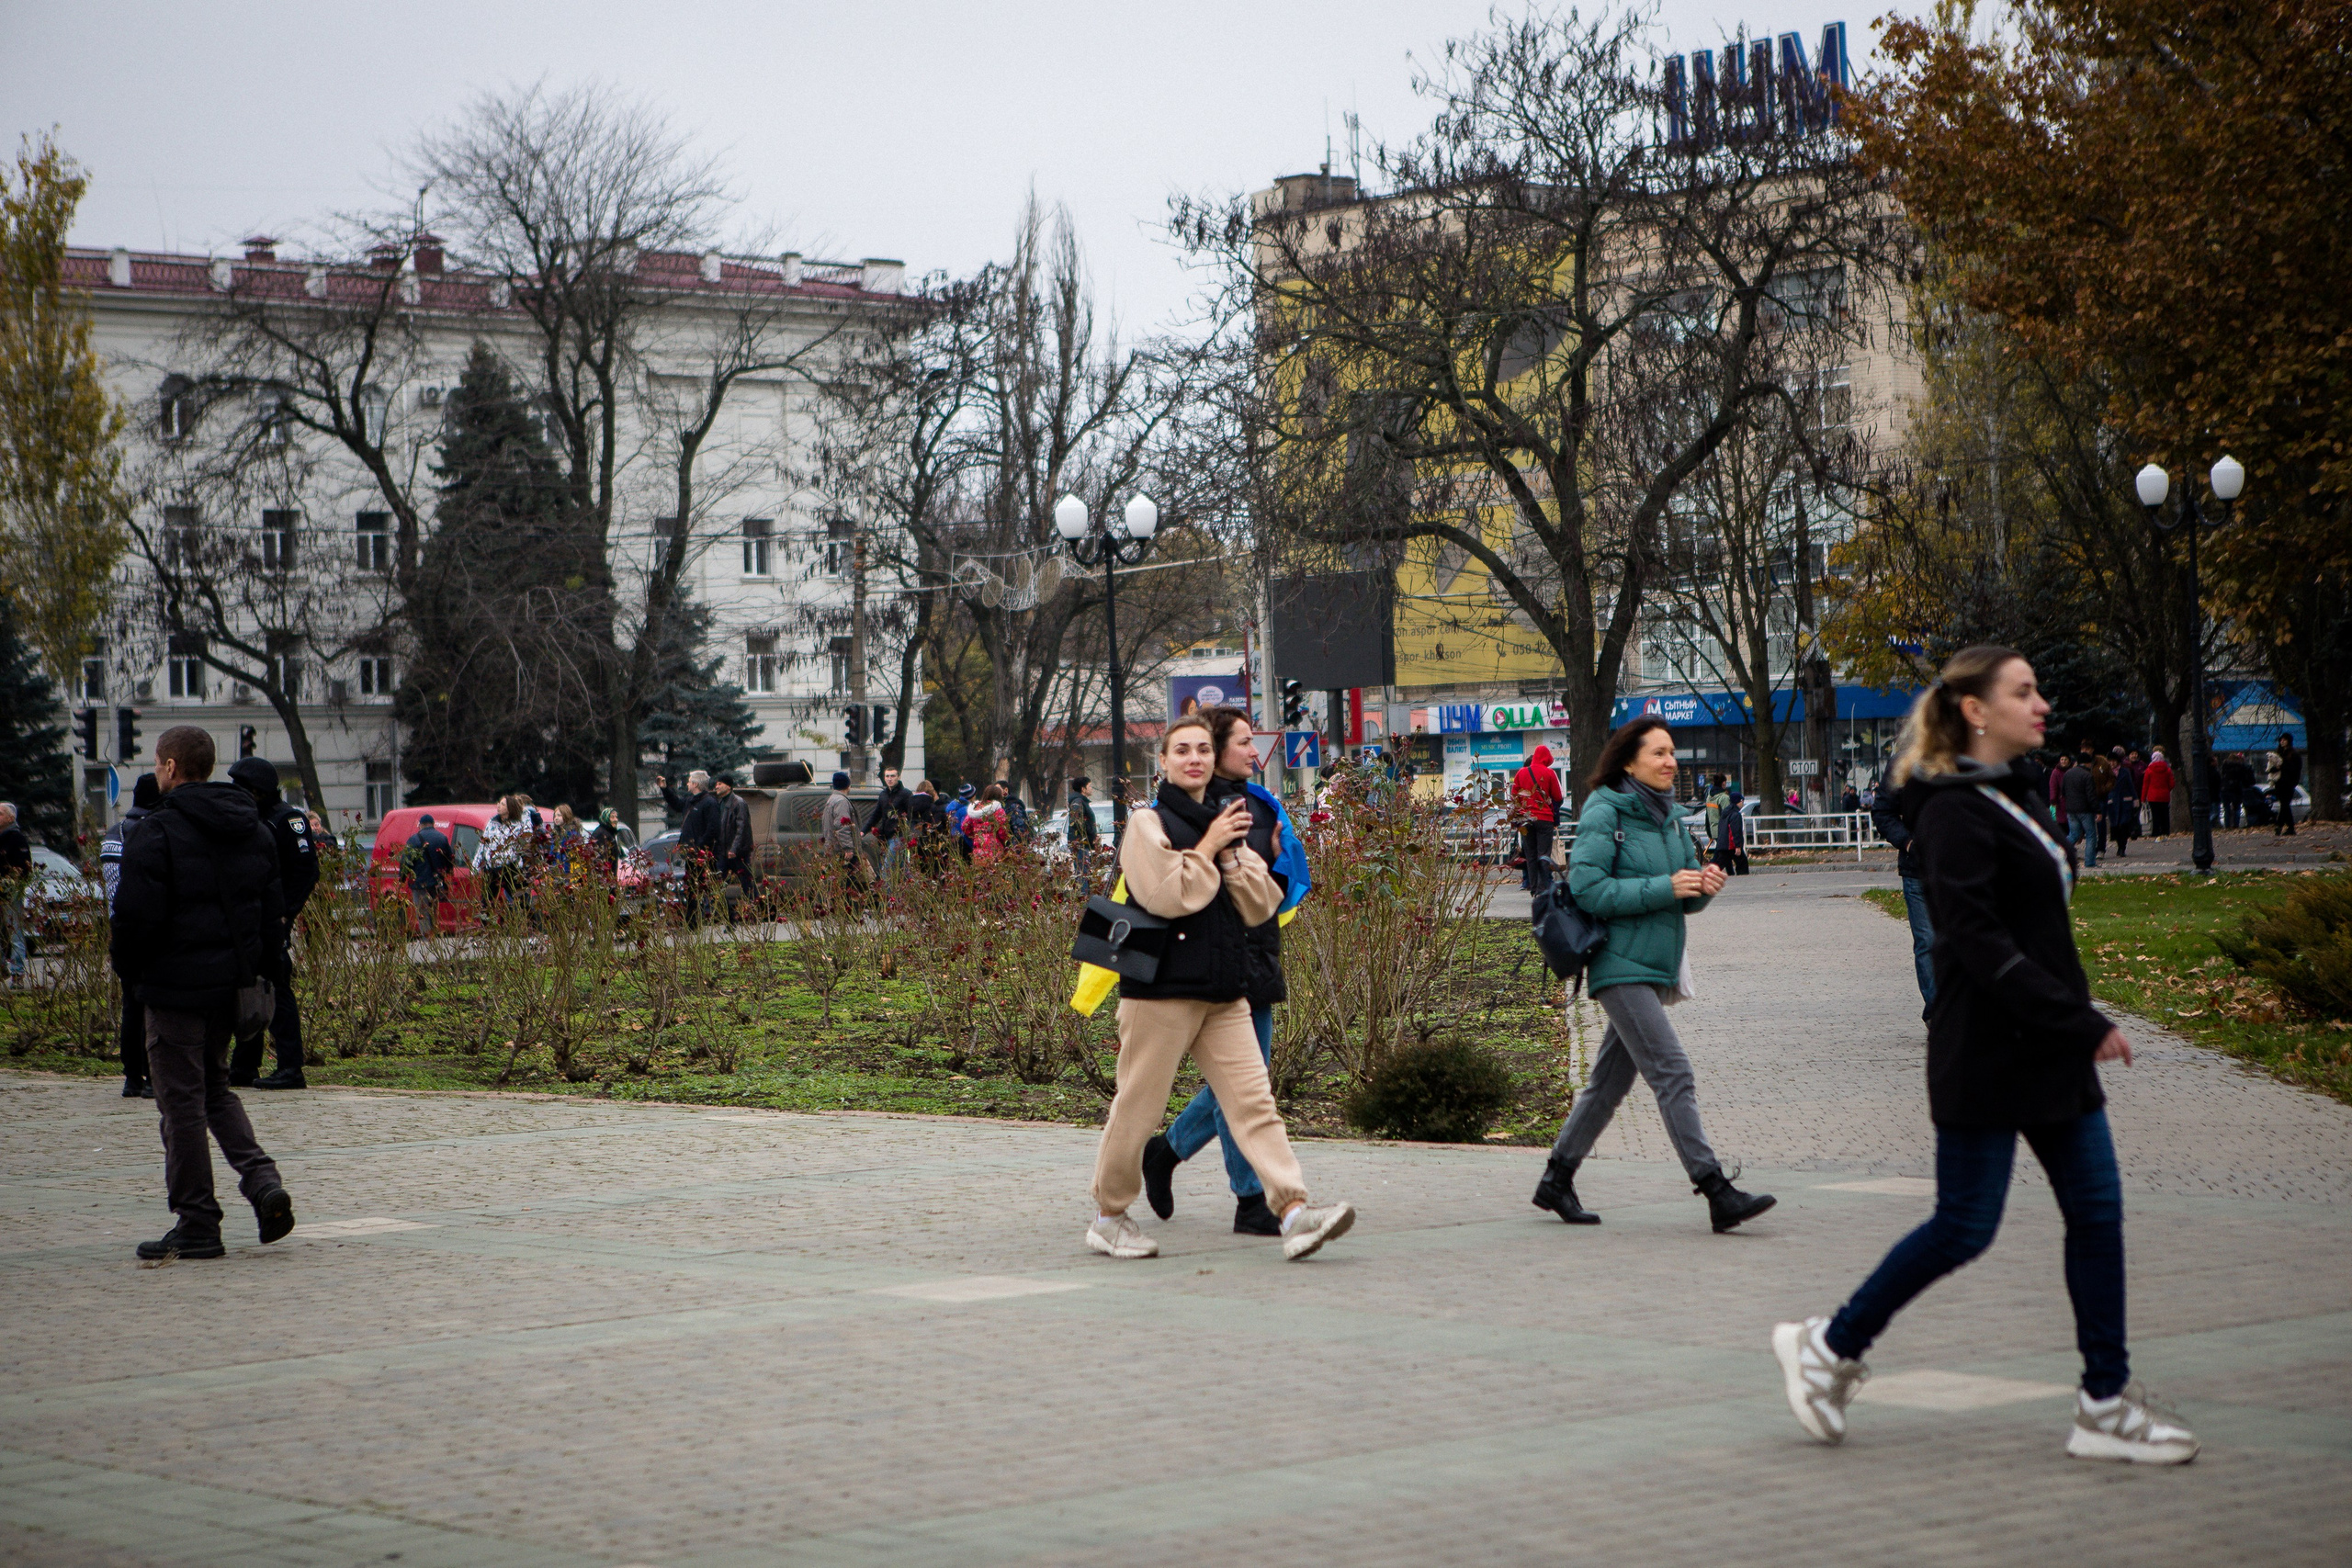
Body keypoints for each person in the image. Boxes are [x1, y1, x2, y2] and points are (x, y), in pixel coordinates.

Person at [1772, 645, 2195, 1465]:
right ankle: (1827, 1345)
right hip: (1986, 1051)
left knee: (2097, 1214)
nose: (2042, 704)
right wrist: (2079, 1020)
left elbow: (2037, 926)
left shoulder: (2017, 791)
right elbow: (1977, 941)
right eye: (2023, 691)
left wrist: (2067, 1022)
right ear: (1975, 709)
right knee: (1964, 1226)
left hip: (2050, 1049)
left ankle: (2104, 1403)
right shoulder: (1949, 812)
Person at [1086, 714, 1354, 1261]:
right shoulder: (1148, 824)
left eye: (1204, 750)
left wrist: (1235, 855)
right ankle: (1109, 1217)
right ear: (1162, 762)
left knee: (1255, 1104)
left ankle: (1294, 1212)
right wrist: (1209, 845)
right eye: (1182, 750)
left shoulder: (1231, 821)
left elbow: (1261, 906)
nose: (1195, 759)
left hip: (1225, 989)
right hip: (1160, 992)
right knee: (1138, 1109)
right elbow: (1168, 895)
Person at [1531, 717, 1772, 1233]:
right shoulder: (1605, 810)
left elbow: (1682, 901)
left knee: (1608, 1084)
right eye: (1658, 752)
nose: (1670, 762)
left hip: (1654, 964)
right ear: (1628, 761)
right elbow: (1588, 888)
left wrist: (1702, 888)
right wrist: (1667, 886)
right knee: (1673, 1071)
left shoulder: (1669, 818)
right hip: (1619, 964)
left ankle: (1556, 1179)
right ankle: (1715, 1189)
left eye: (1672, 752)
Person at [109, 726, 297, 1261]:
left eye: (157, 763)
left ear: (170, 767)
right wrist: (255, 972)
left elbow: (134, 917)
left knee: (181, 1104)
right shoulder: (253, 828)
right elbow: (272, 914)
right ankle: (263, 1183)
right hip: (230, 988)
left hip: (173, 990)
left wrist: (130, 974)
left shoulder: (157, 830)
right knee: (215, 1089)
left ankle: (197, 1221)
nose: (156, 771)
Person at [1142, 706, 1313, 1236]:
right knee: (1244, 1088)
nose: (1253, 751)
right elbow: (1188, 886)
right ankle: (1250, 1197)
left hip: (1252, 952)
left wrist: (1279, 861)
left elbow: (1265, 894)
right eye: (1242, 741)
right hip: (1214, 960)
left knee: (1244, 1085)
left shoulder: (1255, 803)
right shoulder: (1204, 810)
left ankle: (1168, 1152)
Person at [226, 758, 319, 1090]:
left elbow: (306, 871)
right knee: (250, 987)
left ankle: (290, 1067)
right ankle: (244, 1065)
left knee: (277, 988)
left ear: (257, 791)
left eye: (241, 788)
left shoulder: (287, 820)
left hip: (272, 918)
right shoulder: (250, 817)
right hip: (250, 918)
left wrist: (285, 914)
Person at [99, 774, 161, 1097]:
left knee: (130, 1005)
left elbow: (112, 885)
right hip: (152, 930)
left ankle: (132, 1078)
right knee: (153, 1004)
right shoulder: (156, 830)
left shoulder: (115, 832)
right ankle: (152, 1076)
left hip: (121, 928)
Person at [1871, 761, 1934, 1016]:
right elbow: (1882, 812)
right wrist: (1908, 843)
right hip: (1918, 869)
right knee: (1927, 941)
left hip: (1965, 867)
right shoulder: (1905, 762)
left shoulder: (1968, 752)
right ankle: (1937, 1013)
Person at [1511, 743, 1565, 893]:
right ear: (1546, 758)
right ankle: (1543, 887)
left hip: (1526, 819)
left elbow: (1514, 796)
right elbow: (1558, 797)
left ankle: (1533, 887)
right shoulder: (1549, 773)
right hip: (1544, 819)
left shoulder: (1521, 773)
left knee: (1530, 855)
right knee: (1544, 854)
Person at [403, 814, 456, 937]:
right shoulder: (442, 838)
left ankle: (428, 940)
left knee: (422, 912)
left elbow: (406, 861)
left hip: (419, 884)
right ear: (433, 824)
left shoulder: (413, 840)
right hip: (435, 883)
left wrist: (402, 877)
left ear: (420, 825)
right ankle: (433, 935)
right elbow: (450, 859)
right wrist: (447, 872)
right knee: (433, 912)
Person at [865, 766, 915, 882]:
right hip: (885, 837)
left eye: (892, 776)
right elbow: (876, 815)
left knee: (886, 870)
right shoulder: (883, 795)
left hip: (899, 836)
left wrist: (910, 833)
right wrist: (863, 830)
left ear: (898, 777)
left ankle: (885, 893)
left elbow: (911, 815)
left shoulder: (906, 794)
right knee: (904, 870)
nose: (889, 779)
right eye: (887, 776)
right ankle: (917, 889)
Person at [713, 778, 754, 903]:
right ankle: (722, 911)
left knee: (747, 884)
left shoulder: (738, 803)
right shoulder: (721, 803)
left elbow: (742, 828)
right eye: (716, 784)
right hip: (723, 852)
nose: (716, 787)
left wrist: (734, 849)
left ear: (729, 786)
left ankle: (755, 908)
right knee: (718, 884)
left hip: (738, 853)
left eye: (720, 784)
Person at [0, 801, 28, 983]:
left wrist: (12, 885)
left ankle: (18, 972)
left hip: (11, 891)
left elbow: (24, 866)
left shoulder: (16, 838)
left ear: (10, 818)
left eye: (0, 814)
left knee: (15, 932)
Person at [820, 770, 863, 886]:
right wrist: (848, 848)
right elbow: (842, 826)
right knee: (846, 884)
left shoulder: (832, 799)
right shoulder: (841, 801)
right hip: (841, 851)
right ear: (848, 785)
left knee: (836, 883)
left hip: (833, 848)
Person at [1066, 774, 1102, 888]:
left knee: (1085, 871)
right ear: (1083, 789)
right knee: (1082, 872)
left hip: (1084, 842)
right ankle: (1083, 896)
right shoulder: (1078, 802)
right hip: (1080, 842)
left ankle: (1085, 893)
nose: (1091, 788)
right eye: (1089, 786)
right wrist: (1091, 832)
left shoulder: (1082, 802)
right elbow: (1077, 821)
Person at [965, 784, 1012, 863]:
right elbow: (1003, 832)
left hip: (978, 852)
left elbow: (965, 826)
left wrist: (975, 836)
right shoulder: (998, 811)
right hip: (995, 851)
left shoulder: (975, 809)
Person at [2108, 748, 2141, 858]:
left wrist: (2135, 799)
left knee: (2124, 825)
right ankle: (2119, 846)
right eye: (2110, 761)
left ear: (2118, 762)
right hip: (2112, 802)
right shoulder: (2106, 773)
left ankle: (2122, 848)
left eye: (2114, 761)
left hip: (2125, 801)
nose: (2112, 763)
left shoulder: (2125, 771)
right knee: (2115, 826)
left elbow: (2130, 785)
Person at [1713, 782, 1750, 875]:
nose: (1742, 803)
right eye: (1742, 801)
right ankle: (1743, 878)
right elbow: (1735, 831)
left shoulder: (1725, 813)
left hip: (1723, 844)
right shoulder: (1735, 815)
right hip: (1731, 845)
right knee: (1742, 862)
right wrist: (1738, 846)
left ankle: (1709, 875)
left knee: (1719, 863)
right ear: (1739, 801)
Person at [2142, 748, 2175, 838]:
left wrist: (2143, 798)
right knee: (2165, 814)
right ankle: (2166, 831)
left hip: (2153, 796)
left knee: (2155, 815)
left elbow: (2145, 785)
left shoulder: (2149, 770)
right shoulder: (2167, 770)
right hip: (2165, 796)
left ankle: (2156, 832)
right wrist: (2167, 789)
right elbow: (2172, 784)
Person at [2274, 733, 2302, 836]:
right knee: (2284, 805)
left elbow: (2295, 769)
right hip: (2279, 782)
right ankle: (2289, 827)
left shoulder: (2293, 754)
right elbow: (2274, 768)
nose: (2282, 742)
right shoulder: (2279, 753)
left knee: (2285, 804)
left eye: (2284, 740)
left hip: (2289, 783)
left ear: (2288, 741)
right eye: (2281, 740)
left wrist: (2282, 766)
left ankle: (2280, 825)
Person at [2219, 751, 2255, 829]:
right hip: (2236, 789)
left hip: (2225, 789)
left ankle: (2227, 826)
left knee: (2226, 809)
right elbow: (2244, 778)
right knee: (2237, 808)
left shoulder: (2225, 766)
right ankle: (2236, 825)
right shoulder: (2240, 766)